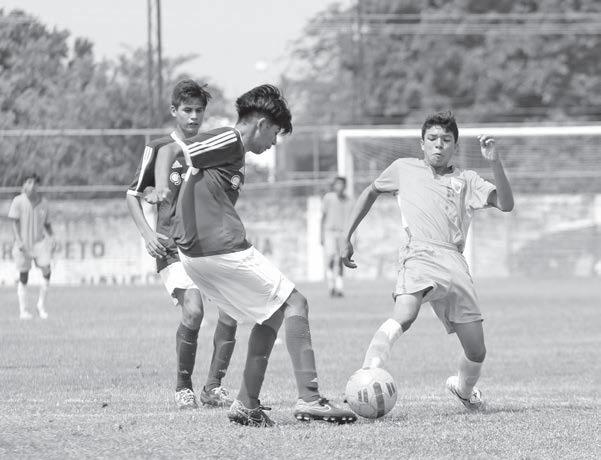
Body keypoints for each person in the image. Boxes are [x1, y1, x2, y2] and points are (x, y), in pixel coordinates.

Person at [151, 84, 356, 427]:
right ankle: (310, 398)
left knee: (271, 316)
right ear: (261, 124)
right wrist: (160, 188)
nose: (274, 142)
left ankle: (247, 404)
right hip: (219, 248)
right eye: (275, 133)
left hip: (199, 255)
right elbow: (170, 149)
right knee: (296, 303)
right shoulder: (229, 139)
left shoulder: (235, 153)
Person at [341, 112, 514, 411]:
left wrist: (495, 161)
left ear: (455, 146)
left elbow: (507, 204)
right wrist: (347, 235)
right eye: (432, 139)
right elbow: (370, 192)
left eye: (446, 140)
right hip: (419, 253)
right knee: (405, 314)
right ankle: (367, 374)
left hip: (455, 262)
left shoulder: (467, 179)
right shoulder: (403, 168)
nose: (438, 144)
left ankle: (463, 390)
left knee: (477, 351)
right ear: (421, 143)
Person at [126, 79, 238, 410]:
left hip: (210, 246)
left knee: (231, 311)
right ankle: (183, 387)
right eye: (187, 110)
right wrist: (148, 235)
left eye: (199, 111)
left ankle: (213, 387)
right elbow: (133, 195)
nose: (193, 117)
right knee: (194, 311)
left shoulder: (210, 148)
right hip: (172, 248)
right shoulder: (159, 147)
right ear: (174, 110)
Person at [8, 173, 55, 320]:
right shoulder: (18, 201)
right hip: (23, 244)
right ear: (23, 185)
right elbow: (14, 223)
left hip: (39, 243)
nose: (31, 186)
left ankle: (41, 306)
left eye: (34, 183)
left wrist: (52, 237)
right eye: (28, 182)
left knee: (47, 270)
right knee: (24, 276)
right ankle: (24, 311)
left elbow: (47, 224)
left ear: (38, 185)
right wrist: (19, 241)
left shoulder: (44, 203)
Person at [321, 176, 352, 297]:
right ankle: (331, 286)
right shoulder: (328, 198)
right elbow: (322, 218)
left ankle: (339, 288)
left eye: (342, 184)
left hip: (343, 234)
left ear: (345, 186)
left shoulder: (349, 200)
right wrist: (321, 235)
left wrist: (352, 237)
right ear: (334, 186)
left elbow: (352, 220)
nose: (340, 187)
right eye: (337, 184)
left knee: (341, 260)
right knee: (330, 259)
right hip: (329, 232)